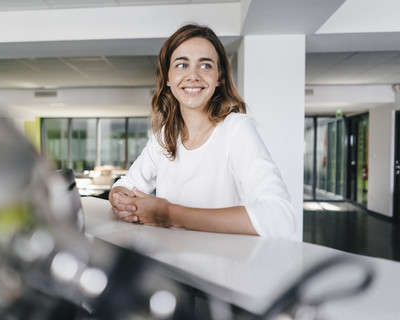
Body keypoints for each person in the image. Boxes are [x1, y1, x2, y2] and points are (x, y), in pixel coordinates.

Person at [108, 24, 296, 239]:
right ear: (168, 78)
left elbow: (280, 219)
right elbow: (125, 185)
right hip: (172, 266)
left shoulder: (236, 130)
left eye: (205, 66)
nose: (193, 75)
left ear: (219, 78)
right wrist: (119, 200)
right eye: (181, 65)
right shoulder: (164, 136)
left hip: (223, 270)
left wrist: (170, 214)